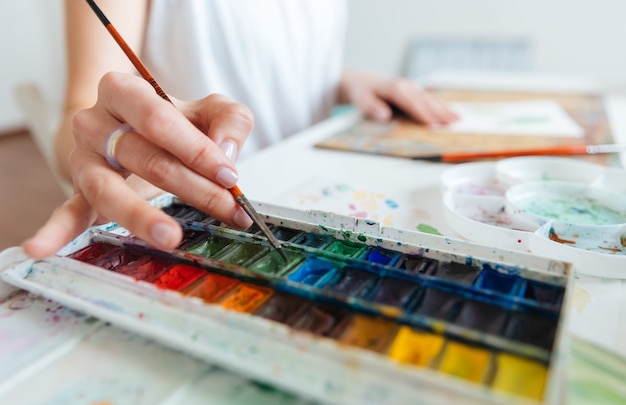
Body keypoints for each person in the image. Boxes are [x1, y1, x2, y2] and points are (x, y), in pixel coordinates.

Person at [23, 0, 457, 260]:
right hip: (203, 213)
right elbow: (82, 106)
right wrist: (112, 141)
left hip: (318, 192)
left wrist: (340, 80)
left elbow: (278, 57)